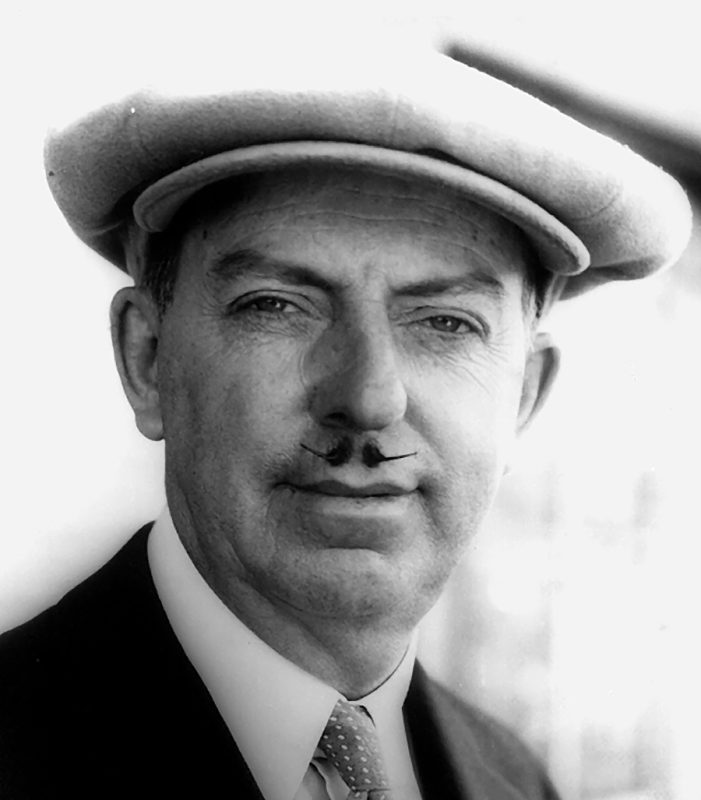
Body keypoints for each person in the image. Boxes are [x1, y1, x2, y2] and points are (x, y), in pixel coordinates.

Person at [0, 45, 691, 799]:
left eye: (445, 323)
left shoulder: (512, 781)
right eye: (276, 305)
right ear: (148, 360)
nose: (368, 399)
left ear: (523, 397)